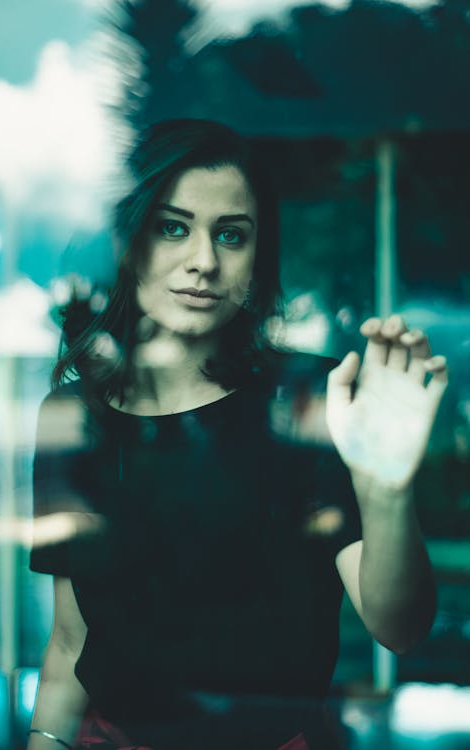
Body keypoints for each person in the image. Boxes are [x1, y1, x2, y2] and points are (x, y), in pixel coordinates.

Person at [27, 119, 448, 750]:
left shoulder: (311, 398)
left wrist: (385, 489)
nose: (204, 261)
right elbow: (69, 640)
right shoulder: (73, 417)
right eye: (173, 227)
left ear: (258, 258)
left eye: (231, 235)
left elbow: (401, 629)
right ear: (130, 242)